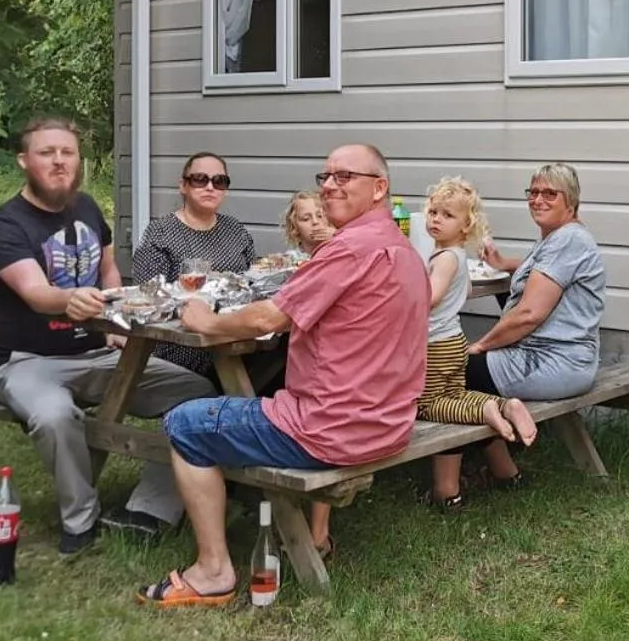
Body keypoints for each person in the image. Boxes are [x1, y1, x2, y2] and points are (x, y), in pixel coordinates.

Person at [136, 143, 427, 607]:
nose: (330, 184)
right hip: (390, 425)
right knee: (255, 393)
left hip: (331, 431)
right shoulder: (403, 249)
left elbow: (266, 319)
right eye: (326, 175)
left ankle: (212, 572)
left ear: (380, 188)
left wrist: (207, 322)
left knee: (185, 423)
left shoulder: (347, 249)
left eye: (345, 176)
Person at [0, 116, 214, 553]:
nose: (59, 162)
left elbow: (108, 268)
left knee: (199, 392)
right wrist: (68, 300)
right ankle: (80, 521)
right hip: (30, 361)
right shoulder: (6, 226)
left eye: (67, 152)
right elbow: (35, 293)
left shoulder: (87, 207)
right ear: (23, 161)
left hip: (99, 353)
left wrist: (116, 323)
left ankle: (152, 507)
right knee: (55, 417)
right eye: (46, 153)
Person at [467, 162, 607, 488]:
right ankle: (502, 469)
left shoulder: (567, 240)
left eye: (549, 193)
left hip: (555, 363)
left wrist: (483, 345)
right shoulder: (560, 238)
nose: (538, 199)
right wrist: (503, 264)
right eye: (533, 192)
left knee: (454, 371)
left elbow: (530, 314)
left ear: (570, 202)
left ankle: (469, 478)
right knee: (465, 371)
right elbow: (543, 270)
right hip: (566, 359)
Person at [414, 178, 537, 509]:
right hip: (455, 339)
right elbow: (464, 292)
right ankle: (502, 405)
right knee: (456, 395)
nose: (436, 219)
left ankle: (486, 409)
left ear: (466, 224)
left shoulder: (442, 259)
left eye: (447, 215)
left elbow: (431, 297)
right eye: (433, 211)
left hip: (435, 346)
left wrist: (405, 291)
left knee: (427, 406)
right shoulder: (456, 255)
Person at [130, 152, 256, 384]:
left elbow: (252, 282)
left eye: (219, 181)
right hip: (183, 341)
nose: (210, 187)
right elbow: (147, 295)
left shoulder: (236, 230)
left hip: (236, 333)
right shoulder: (161, 232)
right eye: (200, 179)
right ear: (183, 186)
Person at [281, 188, 333, 256]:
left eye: (320, 216)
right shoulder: (290, 259)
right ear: (295, 227)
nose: (315, 222)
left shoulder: (340, 251)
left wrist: (337, 236)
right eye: (306, 219)